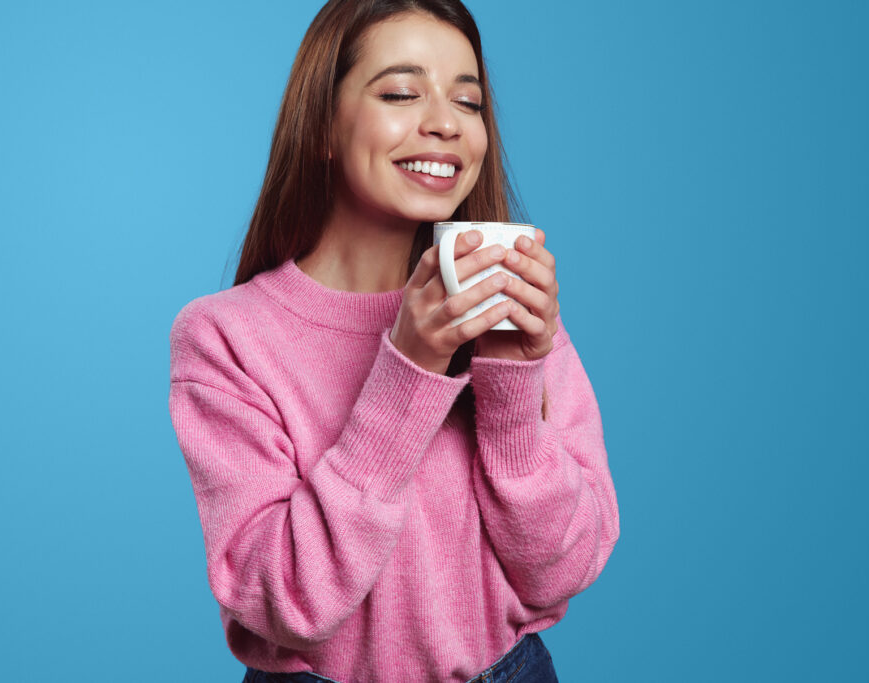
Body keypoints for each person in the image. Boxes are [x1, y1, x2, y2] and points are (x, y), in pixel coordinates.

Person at [168, 1, 619, 680]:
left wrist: (511, 394)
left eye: (468, 102)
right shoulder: (224, 337)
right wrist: (409, 369)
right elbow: (284, 601)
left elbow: (565, 570)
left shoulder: (513, 309)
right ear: (323, 125)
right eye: (403, 93)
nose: (445, 123)